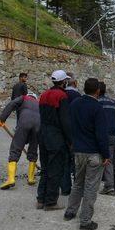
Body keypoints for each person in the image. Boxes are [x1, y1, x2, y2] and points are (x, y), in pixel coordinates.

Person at [64, 78, 112, 230]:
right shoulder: (97, 108)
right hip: (94, 154)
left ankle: (70, 212)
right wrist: (106, 155)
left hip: (78, 152)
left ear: (84, 88)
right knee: (91, 187)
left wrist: (72, 143)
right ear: (98, 91)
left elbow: (69, 126)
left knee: (78, 182)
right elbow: (101, 135)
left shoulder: (74, 104)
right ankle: (85, 221)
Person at [36, 70, 73, 211]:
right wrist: (70, 140)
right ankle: (51, 202)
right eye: (66, 81)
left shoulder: (44, 95)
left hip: (43, 135)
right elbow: (65, 121)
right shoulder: (62, 96)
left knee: (45, 168)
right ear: (63, 82)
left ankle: (41, 199)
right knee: (55, 169)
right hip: (55, 137)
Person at [0, 91, 40, 190]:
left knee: (16, 147)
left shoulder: (23, 98)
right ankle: (31, 178)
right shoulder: (39, 102)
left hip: (25, 121)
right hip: (38, 124)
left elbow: (12, 104)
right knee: (33, 148)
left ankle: (11, 178)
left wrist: (2, 119)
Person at [98, 81, 115, 195]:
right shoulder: (113, 102)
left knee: (94, 159)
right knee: (108, 160)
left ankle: (91, 186)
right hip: (111, 136)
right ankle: (109, 186)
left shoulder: (95, 102)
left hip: (98, 136)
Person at [61, 76, 82, 196]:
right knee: (76, 161)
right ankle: (77, 187)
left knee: (65, 161)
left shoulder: (61, 94)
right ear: (75, 84)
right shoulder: (78, 97)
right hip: (75, 133)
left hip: (63, 132)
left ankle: (65, 188)